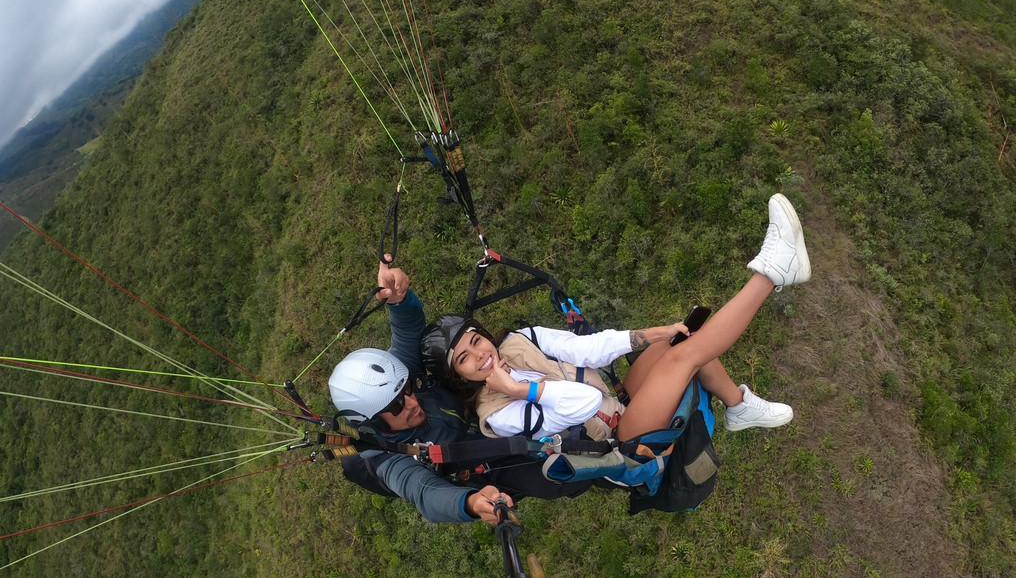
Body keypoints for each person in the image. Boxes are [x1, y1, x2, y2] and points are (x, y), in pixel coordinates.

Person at [426, 193, 810, 444]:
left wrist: (656, 332)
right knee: (683, 358)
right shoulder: (497, 415)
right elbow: (581, 403)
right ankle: (773, 272)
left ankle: (739, 407)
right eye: (464, 359)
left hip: (619, 400)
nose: (480, 355)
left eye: (475, 340)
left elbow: (587, 349)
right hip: (618, 437)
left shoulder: (518, 341)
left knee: (678, 341)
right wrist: (516, 390)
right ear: (459, 377)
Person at [327, 259, 592, 525]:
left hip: (476, 407)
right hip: (480, 460)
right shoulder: (387, 458)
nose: (412, 402)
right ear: (374, 422)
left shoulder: (396, 374)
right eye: (396, 407)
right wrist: (470, 502)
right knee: (555, 478)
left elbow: (407, 331)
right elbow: (423, 492)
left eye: (408, 389)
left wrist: (398, 299)